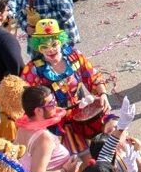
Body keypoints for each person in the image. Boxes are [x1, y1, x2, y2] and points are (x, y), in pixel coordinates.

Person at [22, 18, 108, 153]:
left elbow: (92, 75)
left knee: (98, 152)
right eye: (44, 47)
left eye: (54, 44)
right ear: (38, 47)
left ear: (61, 41)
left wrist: (102, 94)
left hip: (83, 116)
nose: (50, 50)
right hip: (55, 124)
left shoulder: (75, 56)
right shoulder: (32, 70)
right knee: (68, 159)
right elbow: (28, 101)